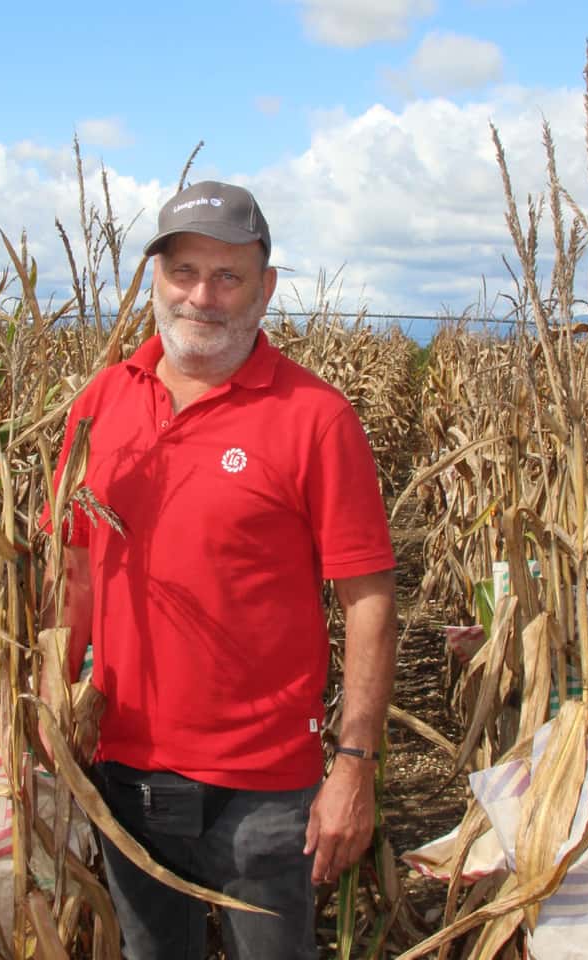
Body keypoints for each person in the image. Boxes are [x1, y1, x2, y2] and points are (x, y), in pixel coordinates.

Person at [43, 180, 397, 960]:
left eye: (227, 277)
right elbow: (74, 569)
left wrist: (355, 766)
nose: (201, 297)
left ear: (264, 290)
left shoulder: (316, 417)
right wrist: (49, 704)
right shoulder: (101, 402)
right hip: (124, 770)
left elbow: (368, 599)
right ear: (156, 280)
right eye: (184, 272)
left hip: (264, 791)